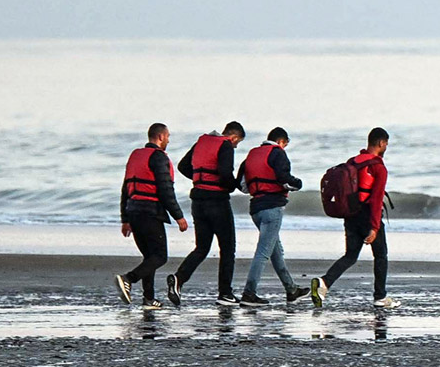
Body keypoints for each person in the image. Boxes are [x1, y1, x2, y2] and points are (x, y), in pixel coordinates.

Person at [312, 127, 394, 308]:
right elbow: (376, 198)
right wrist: (374, 227)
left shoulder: (353, 161)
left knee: (350, 255)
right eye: (386, 144)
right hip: (367, 214)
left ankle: (324, 283)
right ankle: (380, 297)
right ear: (381, 143)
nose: (386, 147)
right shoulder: (378, 166)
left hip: (350, 214)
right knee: (381, 255)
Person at [168, 121, 245, 303]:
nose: (235, 146)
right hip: (217, 202)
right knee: (227, 249)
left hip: (197, 201)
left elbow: (183, 166)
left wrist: (200, 177)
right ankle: (225, 293)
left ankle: (179, 278)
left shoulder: (201, 142)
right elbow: (225, 174)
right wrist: (233, 185)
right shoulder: (225, 145)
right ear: (233, 137)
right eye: (237, 142)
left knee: (202, 248)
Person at [115, 123, 186, 306]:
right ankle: (128, 279)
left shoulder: (136, 156)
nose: (168, 140)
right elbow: (165, 190)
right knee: (160, 256)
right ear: (161, 137)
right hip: (150, 213)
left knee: (150, 258)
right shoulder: (158, 158)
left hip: (134, 212)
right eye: (168, 136)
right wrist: (179, 216)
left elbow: (126, 189)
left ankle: (148, 298)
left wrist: (125, 219)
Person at [238, 127, 307, 305]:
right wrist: (298, 184)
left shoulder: (252, 155)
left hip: (256, 209)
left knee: (276, 252)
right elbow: (284, 179)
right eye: (285, 144)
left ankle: (291, 289)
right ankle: (249, 293)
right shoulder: (278, 153)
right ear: (282, 141)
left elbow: (242, 186)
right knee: (263, 253)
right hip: (272, 208)